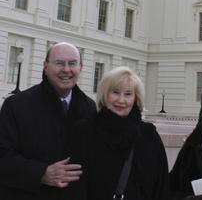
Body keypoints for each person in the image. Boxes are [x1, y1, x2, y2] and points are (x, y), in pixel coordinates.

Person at [0, 42, 96, 200]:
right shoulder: (16, 105)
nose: (66, 69)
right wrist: (41, 173)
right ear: (45, 67)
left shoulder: (90, 108)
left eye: (72, 63)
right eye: (59, 63)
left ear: (80, 68)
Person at [63, 66, 169, 200]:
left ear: (135, 98)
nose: (121, 100)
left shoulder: (148, 135)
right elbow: (75, 185)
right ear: (105, 94)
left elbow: (161, 186)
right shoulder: (85, 131)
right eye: (115, 92)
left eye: (128, 94)